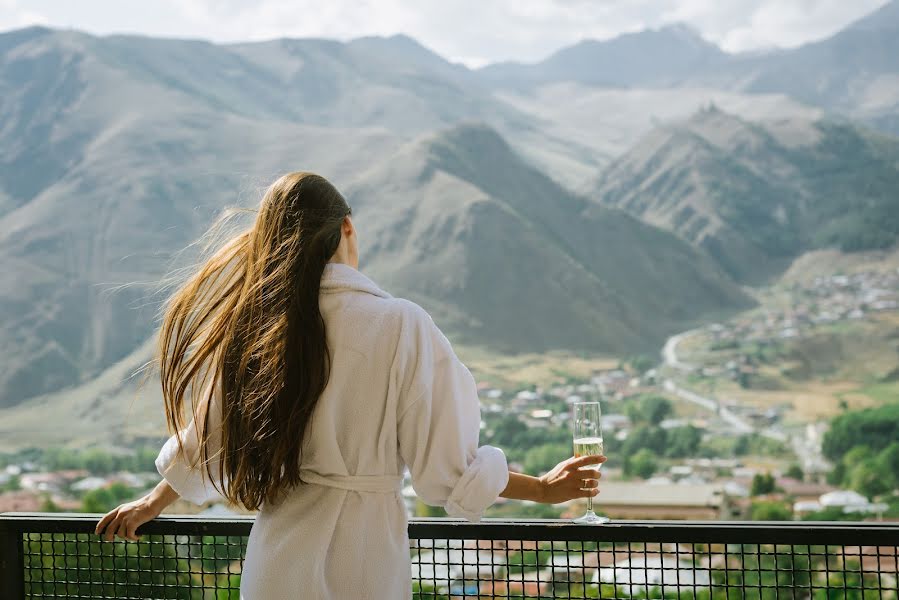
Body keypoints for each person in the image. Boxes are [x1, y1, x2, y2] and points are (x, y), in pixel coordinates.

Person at [95, 172, 605, 599]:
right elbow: (448, 471)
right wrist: (541, 489)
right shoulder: (400, 325)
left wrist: (153, 503)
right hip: (364, 562)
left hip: (275, 562)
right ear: (346, 228)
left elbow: (211, 437)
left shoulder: (258, 329)